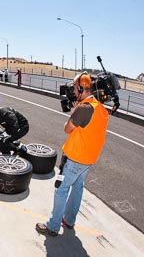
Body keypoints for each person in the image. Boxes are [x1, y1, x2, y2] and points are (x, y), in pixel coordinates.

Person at [36, 73, 109, 237]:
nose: (73, 92)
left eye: (75, 88)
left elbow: (67, 128)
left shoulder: (83, 109)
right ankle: (69, 220)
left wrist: (75, 111)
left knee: (61, 190)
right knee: (78, 187)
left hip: (76, 157)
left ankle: (53, 226)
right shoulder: (100, 108)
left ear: (81, 88)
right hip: (88, 159)